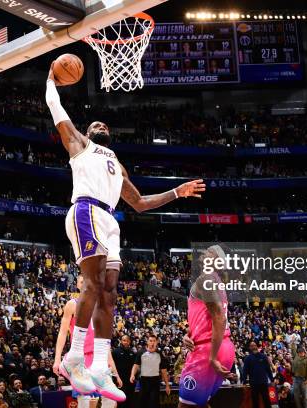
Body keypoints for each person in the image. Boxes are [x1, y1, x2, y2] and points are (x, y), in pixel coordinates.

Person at [46, 61, 205, 402]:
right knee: (91, 282)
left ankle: (100, 366)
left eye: (104, 122)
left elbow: (141, 202)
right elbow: (56, 108)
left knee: (110, 292)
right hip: (86, 210)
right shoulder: (80, 145)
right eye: (94, 123)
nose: (101, 123)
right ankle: (75, 357)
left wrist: (178, 192)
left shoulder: (117, 164)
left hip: (110, 221)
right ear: (87, 133)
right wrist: (50, 79)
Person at [179, 245, 236, 408]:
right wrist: (189, 334)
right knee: (200, 403)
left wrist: (212, 357)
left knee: (185, 406)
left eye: (210, 252)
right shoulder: (217, 283)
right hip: (222, 346)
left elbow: (219, 317)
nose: (204, 253)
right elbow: (204, 317)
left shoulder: (205, 279)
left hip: (208, 350)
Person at [53, 275, 122, 408]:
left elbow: (104, 343)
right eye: (81, 282)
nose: (84, 284)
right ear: (78, 286)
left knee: (110, 400)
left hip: (98, 357)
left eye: (87, 281)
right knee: (84, 400)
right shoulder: (72, 304)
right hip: (81, 358)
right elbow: (62, 333)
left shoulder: (100, 307)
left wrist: (115, 372)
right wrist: (57, 359)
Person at [130, 334, 171, 408]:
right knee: (142, 403)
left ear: (156, 342)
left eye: (154, 341)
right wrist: (132, 375)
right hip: (144, 381)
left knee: (154, 403)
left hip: (155, 381)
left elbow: (163, 371)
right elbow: (135, 365)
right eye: (150, 341)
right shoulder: (141, 352)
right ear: (147, 342)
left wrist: (167, 385)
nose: (152, 343)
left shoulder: (159, 353)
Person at [243, 342, 273, 408]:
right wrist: (244, 381)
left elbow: (268, 369)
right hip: (254, 383)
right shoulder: (247, 358)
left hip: (263, 382)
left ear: (257, 346)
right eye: (251, 346)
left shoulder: (263, 356)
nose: (253, 347)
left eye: (254, 345)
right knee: (255, 401)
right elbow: (245, 371)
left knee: (266, 400)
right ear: (250, 348)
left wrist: (272, 380)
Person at [113, 335, 137, 407]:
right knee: (120, 402)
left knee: (130, 402)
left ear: (129, 341)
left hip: (130, 382)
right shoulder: (115, 352)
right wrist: (116, 379)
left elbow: (135, 367)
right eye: (124, 340)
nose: (125, 342)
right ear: (121, 341)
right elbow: (112, 367)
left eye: (127, 340)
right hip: (119, 381)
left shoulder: (133, 353)